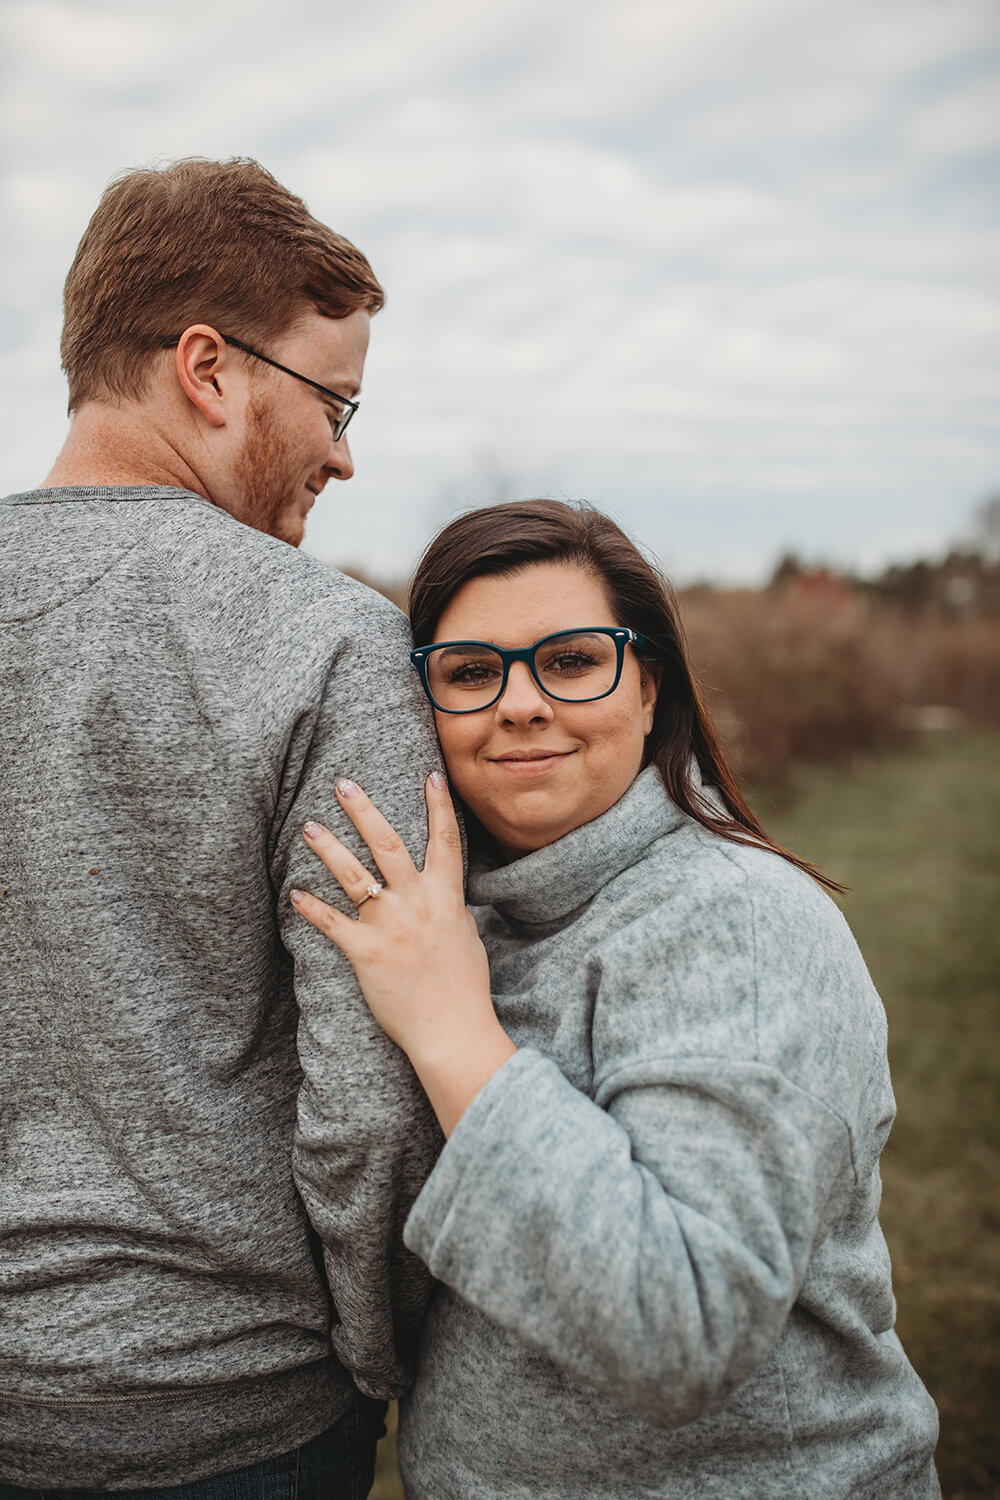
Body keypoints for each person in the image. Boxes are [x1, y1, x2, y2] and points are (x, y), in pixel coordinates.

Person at [293, 498, 942, 1499]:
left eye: (571, 659)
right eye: (470, 671)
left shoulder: (738, 924)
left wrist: (453, 1032)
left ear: (648, 687)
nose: (519, 703)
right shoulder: (456, 922)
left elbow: (680, 1325)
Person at [0, 158, 442, 1496]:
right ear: (209, 369)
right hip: (234, 1415)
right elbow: (369, 1104)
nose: (347, 452)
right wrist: (377, 1360)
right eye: (334, 399)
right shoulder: (335, 644)